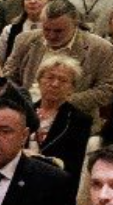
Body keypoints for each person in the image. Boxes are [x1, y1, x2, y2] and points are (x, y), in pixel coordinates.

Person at [29, 56, 94, 186]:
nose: (55, 84)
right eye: (50, 77)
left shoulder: (79, 120)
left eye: (63, 80)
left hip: (56, 183)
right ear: (39, 80)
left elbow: (75, 164)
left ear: (72, 88)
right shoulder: (23, 112)